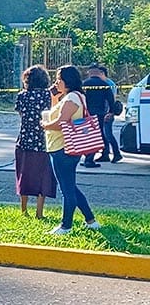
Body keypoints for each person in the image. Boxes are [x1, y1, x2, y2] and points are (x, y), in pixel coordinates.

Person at [41, 65, 101, 235]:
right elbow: (54, 112)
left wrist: (45, 126)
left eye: (59, 79)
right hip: (61, 147)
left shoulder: (71, 99)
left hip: (63, 148)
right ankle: (90, 220)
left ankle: (66, 225)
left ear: (68, 80)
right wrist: (55, 96)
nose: (56, 82)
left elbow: (61, 122)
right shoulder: (72, 97)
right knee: (71, 187)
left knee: (66, 190)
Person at [14, 65, 56, 219]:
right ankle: (39, 212)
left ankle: (24, 211)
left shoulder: (22, 95)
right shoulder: (47, 95)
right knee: (43, 176)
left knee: (23, 175)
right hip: (43, 141)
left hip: (24, 140)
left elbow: (20, 113)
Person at [81, 64, 115, 168]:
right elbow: (111, 100)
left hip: (87, 114)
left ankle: (88, 158)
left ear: (90, 72)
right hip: (100, 114)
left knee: (87, 136)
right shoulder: (104, 84)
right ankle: (94, 158)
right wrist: (111, 112)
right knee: (97, 136)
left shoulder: (84, 84)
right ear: (98, 72)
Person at [98, 66, 122, 163]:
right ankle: (105, 154)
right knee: (103, 134)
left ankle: (117, 153)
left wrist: (110, 112)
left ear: (102, 74)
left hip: (108, 113)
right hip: (104, 112)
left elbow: (111, 100)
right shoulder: (103, 84)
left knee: (108, 134)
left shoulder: (110, 84)